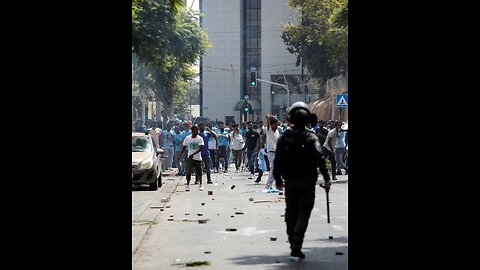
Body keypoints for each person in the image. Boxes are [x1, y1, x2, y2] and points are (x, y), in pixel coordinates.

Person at [273, 101, 331, 262]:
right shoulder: (311, 137)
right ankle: (296, 247)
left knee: (291, 213)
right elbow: (320, 159)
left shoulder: (284, 137)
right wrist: (327, 179)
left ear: (290, 118)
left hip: (290, 181)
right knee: (303, 214)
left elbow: (277, 160)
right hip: (307, 182)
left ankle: (294, 245)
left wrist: (278, 179)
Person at [177, 125, 204, 191]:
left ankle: (201, 185)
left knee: (199, 171)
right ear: (192, 131)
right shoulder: (187, 138)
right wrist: (180, 155)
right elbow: (184, 147)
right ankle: (187, 185)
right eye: (196, 130)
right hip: (190, 158)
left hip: (197, 158)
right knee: (188, 171)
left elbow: (201, 148)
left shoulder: (200, 138)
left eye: (197, 130)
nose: (197, 131)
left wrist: (193, 154)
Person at [262, 112, 280, 188]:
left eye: (277, 124)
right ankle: (269, 184)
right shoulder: (269, 131)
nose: (276, 126)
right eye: (275, 124)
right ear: (272, 125)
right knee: (274, 168)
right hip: (271, 153)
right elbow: (268, 123)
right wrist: (269, 118)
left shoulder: (277, 132)